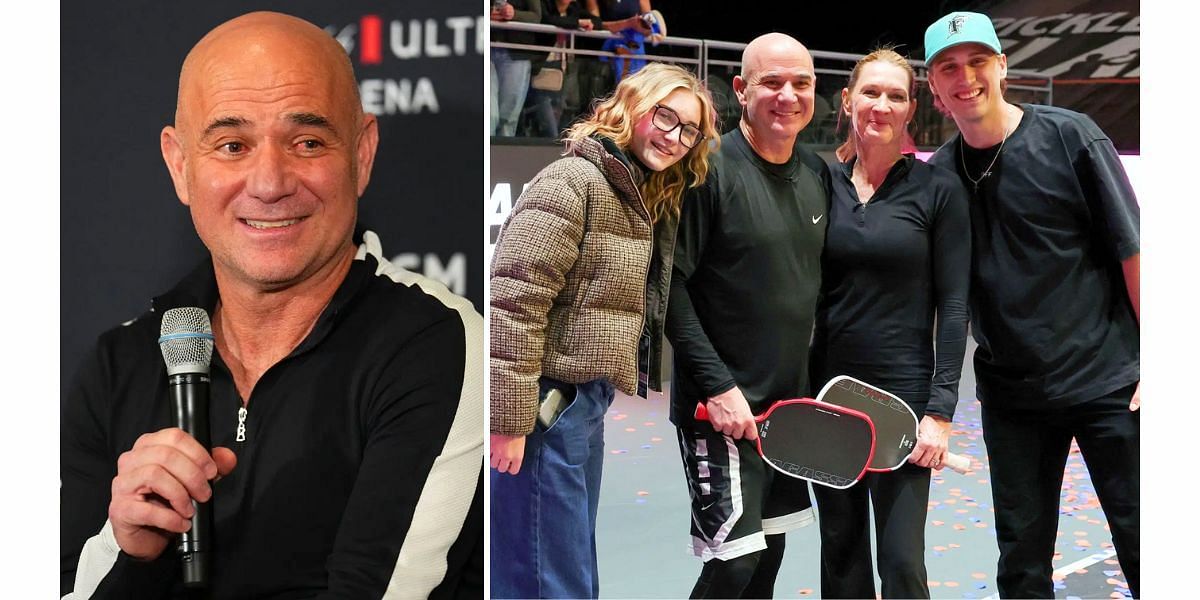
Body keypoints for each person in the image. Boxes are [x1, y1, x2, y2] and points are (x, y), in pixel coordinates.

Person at [59, 12, 484, 598]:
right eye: (232, 145)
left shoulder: (439, 343)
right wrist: (124, 548)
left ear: (361, 154)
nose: (269, 181)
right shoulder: (117, 365)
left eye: (307, 142)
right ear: (180, 165)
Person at [923, 11, 1140, 598]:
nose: (965, 77)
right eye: (948, 68)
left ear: (1002, 68)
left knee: (1145, 540)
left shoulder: (1072, 136)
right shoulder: (940, 178)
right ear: (936, 89)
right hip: (1014, 400)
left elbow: (1132, 249)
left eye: (977, 62)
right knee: (1021, 558)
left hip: (1109, 383)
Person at [490, 62, 719, 599]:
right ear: (633, 105)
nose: (676, 137)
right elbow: (515, 301)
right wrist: (509, 421)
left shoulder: (635, 190)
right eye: (667, 117)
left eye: (690, 131)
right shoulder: (574, 180)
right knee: (548, 577)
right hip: (545, 409)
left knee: (563, 567)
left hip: (582, 405)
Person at [666, 32, 831, 598]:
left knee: (768, 555)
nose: (788, 95)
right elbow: (668, 289)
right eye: (772, 82)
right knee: (734, 562)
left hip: (788, 412)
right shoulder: (705, 172)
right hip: (719, 413)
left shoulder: (816, 174)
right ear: (741, 90)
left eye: (802, 83)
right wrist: (717, 387)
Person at [809, 48, 970, 599]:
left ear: (910, 109)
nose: (881, 105)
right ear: (848, 100)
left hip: (904, 402)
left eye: (895, 95)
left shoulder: (937, 191)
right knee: (843, 557)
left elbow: (953, 304)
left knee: (902, 564)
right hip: (827, 400)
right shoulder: (817, 182)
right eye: (871, 92)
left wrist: (940, 412)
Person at [491, 0, 543, 136]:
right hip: (485, 49)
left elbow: (536, 17)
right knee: (489, 114)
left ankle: (502, 156)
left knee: (507, 118)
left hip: (517, 53)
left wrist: (514, 14)